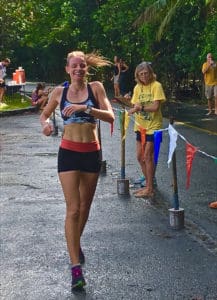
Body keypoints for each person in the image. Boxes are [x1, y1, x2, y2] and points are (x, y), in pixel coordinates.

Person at [39, 50, 115, 291]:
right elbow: (44, 115)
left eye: (82, 66)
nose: (79, 69)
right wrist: (47, 125)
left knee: (84, 208)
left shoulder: (96, 88)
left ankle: (75, 242)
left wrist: (86, 110)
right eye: (74, 66)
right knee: (73, 209)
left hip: (91, 153)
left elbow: (111, 117)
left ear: (86, 68)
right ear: (67, 69)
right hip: (69, 154)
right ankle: (75, 268)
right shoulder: (59, 92)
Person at [128, 62, 166, 198]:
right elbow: (134, 104)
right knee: (139, 157)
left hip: (154, 127)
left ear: (151, 73)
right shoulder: (137, 88)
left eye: (146, 73)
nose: (144, 76)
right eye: (141, 74)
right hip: (140, 125)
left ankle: (149, 188)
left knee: (148, 156)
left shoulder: (157, 86)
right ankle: (150, 182)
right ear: (137, 75)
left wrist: (140, 108)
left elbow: (155, 107)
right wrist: (132, 104)